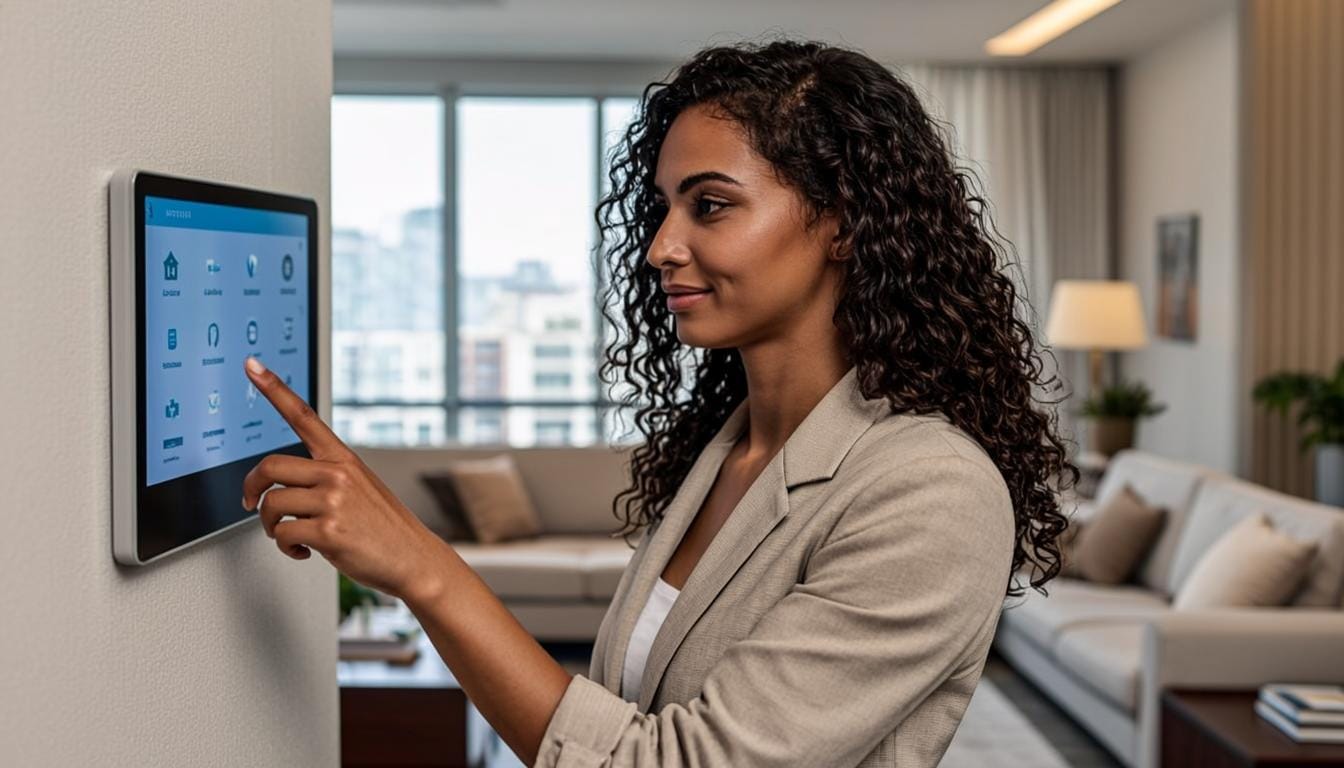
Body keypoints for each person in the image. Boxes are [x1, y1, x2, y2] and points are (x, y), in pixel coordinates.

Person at [241, 39, 1077, 768]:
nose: (659, 247)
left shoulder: (932, 492)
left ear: (843, 224)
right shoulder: (729, 451)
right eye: (663, 206)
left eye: (709, 205)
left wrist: (426, 571)